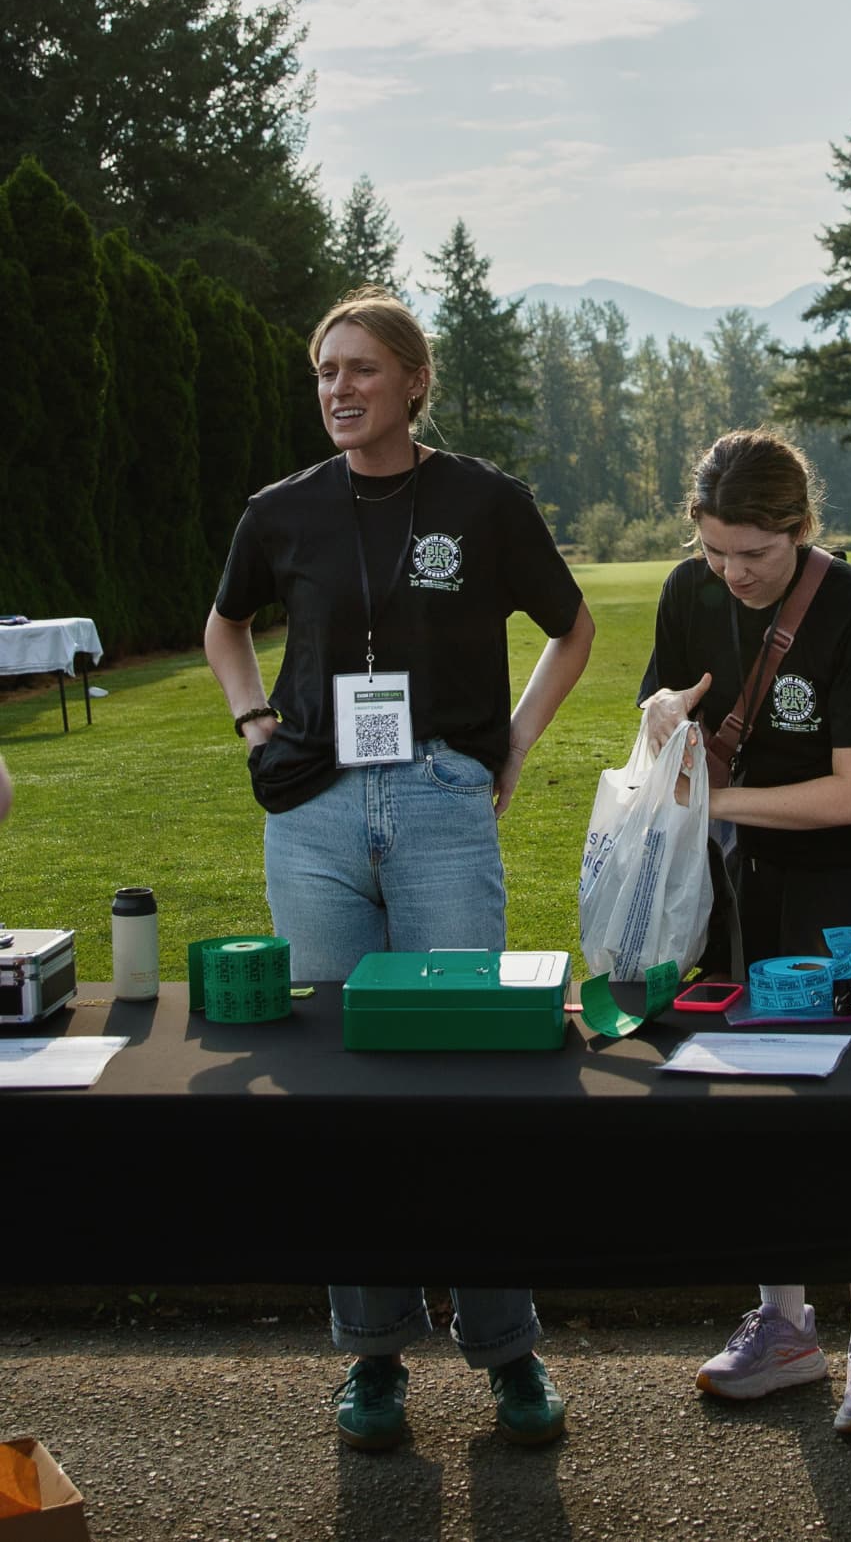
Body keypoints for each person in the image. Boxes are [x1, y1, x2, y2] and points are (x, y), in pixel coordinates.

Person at [202, 286, 596, 1453]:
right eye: (326, 371)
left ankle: (506, 1348)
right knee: (340, 1087)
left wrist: (511, 750)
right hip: (315, 814)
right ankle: (373, 1355)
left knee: (467, 1078)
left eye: (363, 369)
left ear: (414, 381)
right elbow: (225, 625)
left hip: (438, 803)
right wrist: (255, 726)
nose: (339, 389)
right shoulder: (280, 512)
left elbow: (571, 629)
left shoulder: (483, 501)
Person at [637, 429, 851, 1436]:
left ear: (799, 530)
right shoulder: (687, 590)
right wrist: (664, 715)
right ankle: (782, 1321)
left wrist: (717, 799)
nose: (732, 574)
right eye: (714, 551)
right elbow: (662, 706)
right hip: (742, 894)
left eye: (754, 553)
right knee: (757, 1098)